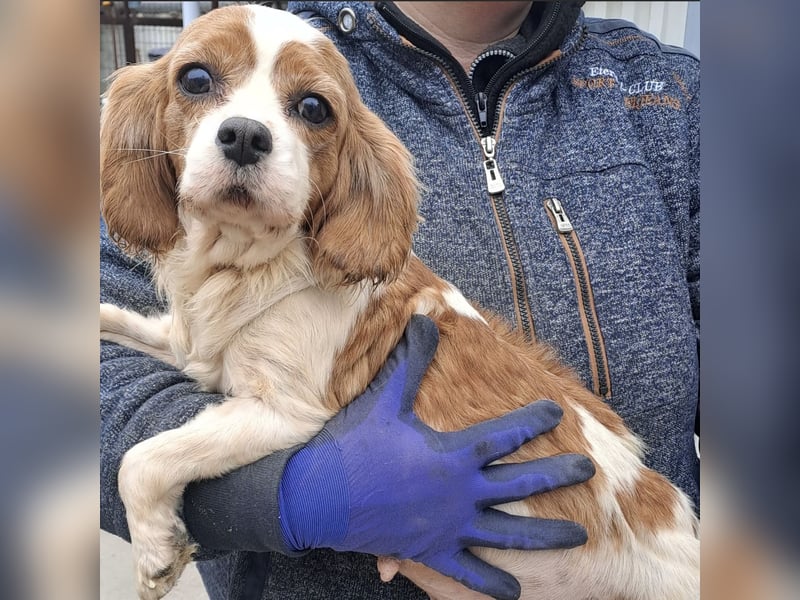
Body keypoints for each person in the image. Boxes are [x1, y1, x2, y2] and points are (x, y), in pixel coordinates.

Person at [100, 2, 699, 599]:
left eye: (311, 110)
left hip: (651, 568)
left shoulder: (674, 96)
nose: (245, 128)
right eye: (200, 82)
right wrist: (283, 495)